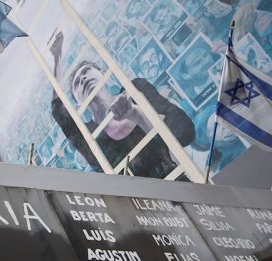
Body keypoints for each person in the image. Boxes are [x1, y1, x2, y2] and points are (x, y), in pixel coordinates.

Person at [48, 30, 195, 179]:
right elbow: (59, 112)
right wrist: (57, 58)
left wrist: (135, 113)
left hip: (180, 183)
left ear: (103, 73)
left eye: (86, 71)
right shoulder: (90, 136)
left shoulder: (136, 90)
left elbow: (185, 133)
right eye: (77, 83)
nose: (83, 78)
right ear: (78, 102)